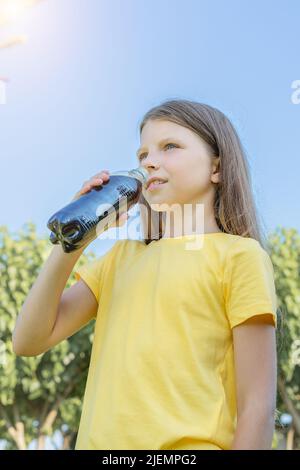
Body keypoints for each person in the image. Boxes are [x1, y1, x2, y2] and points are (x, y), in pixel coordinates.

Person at [13, 99, 278, 450]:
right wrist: (72, 242)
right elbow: (28, 341)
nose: (149, 161)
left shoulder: (239, 256)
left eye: (170, 146)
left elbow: (257, 406)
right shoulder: (120, 258)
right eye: (142, 155)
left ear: (217, 168)